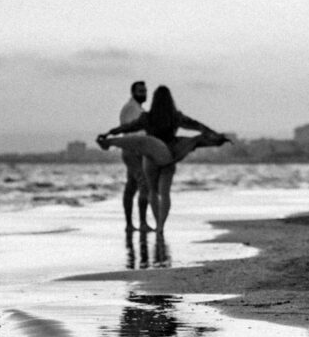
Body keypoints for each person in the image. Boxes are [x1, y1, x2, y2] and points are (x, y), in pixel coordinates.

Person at [96, 85, 228, 235]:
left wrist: (110, 133)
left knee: (152, 190)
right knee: (164, 192)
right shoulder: (176, 116)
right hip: (168, 156)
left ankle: (155, 221)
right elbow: (197, 125)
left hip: (150, 157)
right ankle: (160, 226)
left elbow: (127, 127)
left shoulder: (147, 117)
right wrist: (215, 135)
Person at [119, 80, 150, 233]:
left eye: (144, 91)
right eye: (140, 91)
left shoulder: (136, 108)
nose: (144, 94)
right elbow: (133, 131)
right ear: (133, 92)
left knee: (132, 186)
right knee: (143, 183)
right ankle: (141, 223)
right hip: (133, 151)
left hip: (133, 150)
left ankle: (130, 224)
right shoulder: (131, 108)